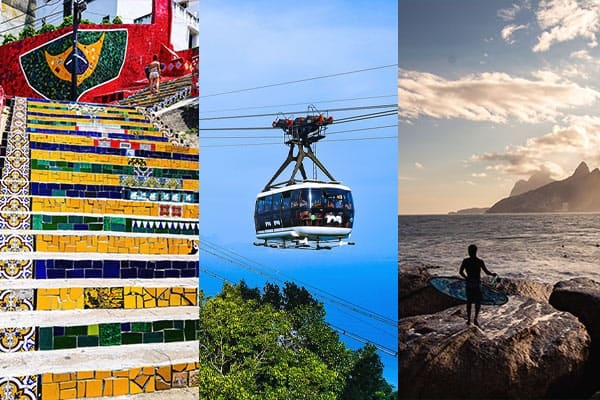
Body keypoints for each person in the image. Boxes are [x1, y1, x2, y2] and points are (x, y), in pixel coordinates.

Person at [459, 244, 497, 327]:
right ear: (476, 251)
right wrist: (493, 274)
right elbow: (487, 272)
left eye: (469, 251)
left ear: (469, 251)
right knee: (477, 302)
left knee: (469, 301)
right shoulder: (479, 261)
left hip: (469, 283)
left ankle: (469, 320)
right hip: (477, 284)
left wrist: (466, 277)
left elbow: (460, 272)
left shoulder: (466, 261)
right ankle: (475, 319)